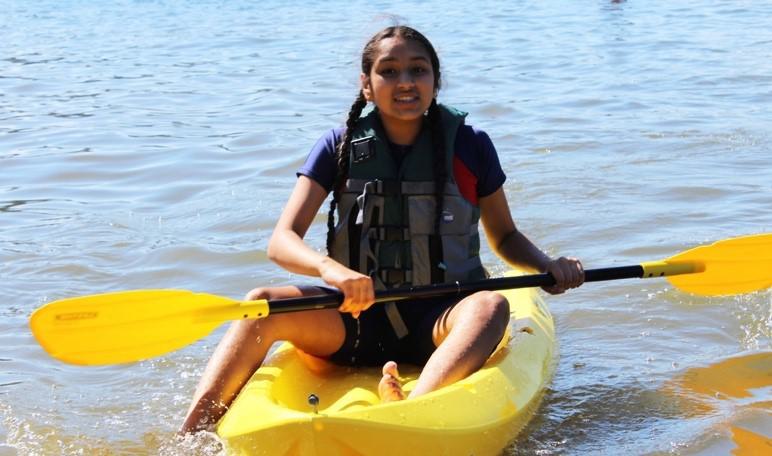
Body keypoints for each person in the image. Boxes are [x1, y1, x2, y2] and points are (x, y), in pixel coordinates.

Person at [181, 25, 584, 433]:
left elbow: (506, 237)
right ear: (367, 85)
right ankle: (191, 435)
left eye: (418, 70)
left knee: (490, 305)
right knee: (261, 305)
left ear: (435, 81)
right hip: (354, 320)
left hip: (440, 320)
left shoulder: (471, 145)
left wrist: (549, 267)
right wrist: (331, 271)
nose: (405, 82)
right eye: (389, 71)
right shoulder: (338, 146)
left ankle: (411, 410)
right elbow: (281, 241)